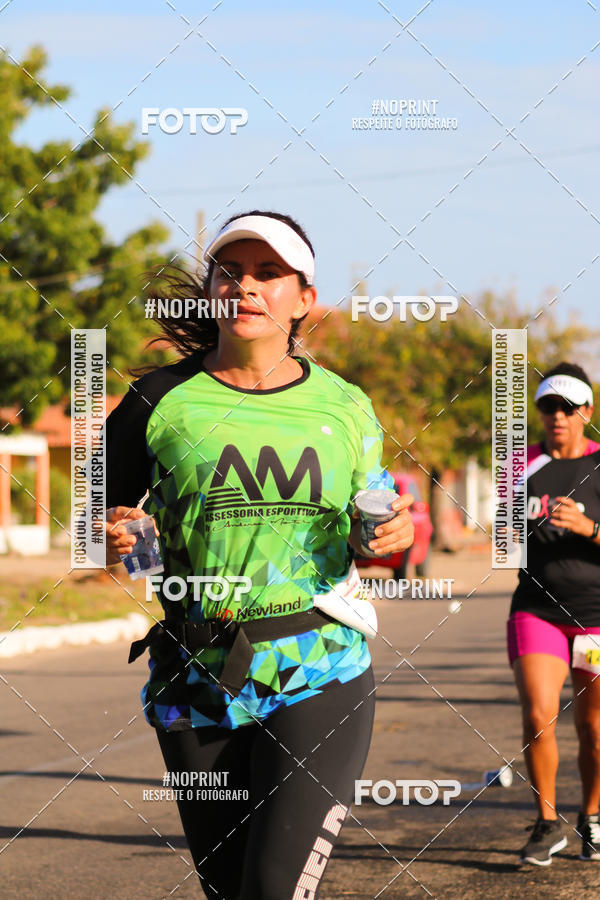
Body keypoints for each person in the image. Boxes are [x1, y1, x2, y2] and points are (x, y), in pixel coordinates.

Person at [103, 210, 414, 898]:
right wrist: (120, 541)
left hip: (317, 666)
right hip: (192, 679)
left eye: (268, 273)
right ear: (211, 289)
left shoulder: (344, 406)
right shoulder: (155, 401)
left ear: (304, 298)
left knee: (272, 888)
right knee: (228, 888)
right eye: (230, 271)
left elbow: (381, 516)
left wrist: (395, 534)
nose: (245, 286)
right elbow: (108, 531)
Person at [507, 362, 600, 866]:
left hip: (596, 616)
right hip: (537, 609)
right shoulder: (520, 466)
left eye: (568, 407)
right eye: (548, 407)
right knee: (539, 715)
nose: (557, 416)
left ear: (587, 411)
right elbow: (504, 540)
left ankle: (592, 815)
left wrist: (588, 528)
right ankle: (547, 824)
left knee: (594, 730)